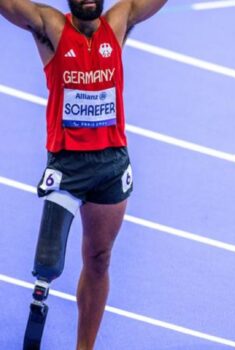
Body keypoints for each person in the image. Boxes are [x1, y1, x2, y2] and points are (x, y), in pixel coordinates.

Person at [0, 0, 167, 349]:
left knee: (99, 258)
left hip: (110, 164)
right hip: (67, 165)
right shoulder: (51, 27)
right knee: (46, 264)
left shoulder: (118, 23)